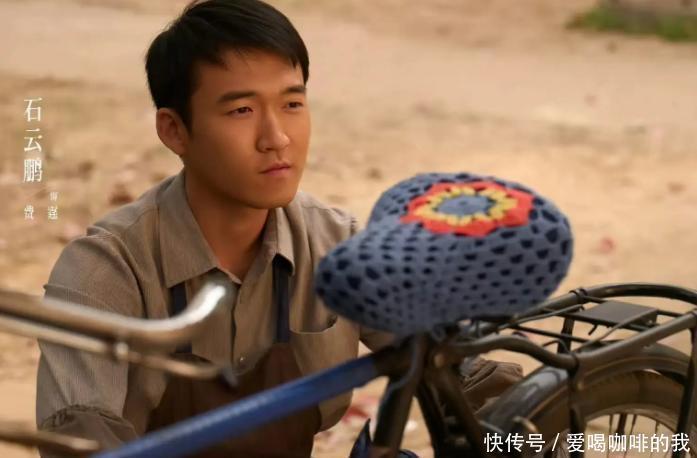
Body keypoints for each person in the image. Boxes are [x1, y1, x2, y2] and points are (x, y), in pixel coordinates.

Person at [35, 0, 523, 456]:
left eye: (292, 104)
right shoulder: (106, 271)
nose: (277, 138)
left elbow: (468, 372)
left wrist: (531, 431)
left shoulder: (338, 247)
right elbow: (79, 437)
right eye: (242, 111)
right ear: (174, 130)